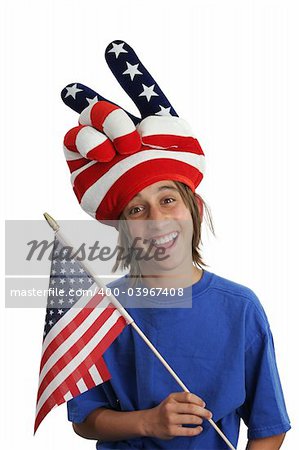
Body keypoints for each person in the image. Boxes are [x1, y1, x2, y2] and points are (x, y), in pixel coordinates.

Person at [62, 41, 291, 449]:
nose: (156, 220)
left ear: (194, 208)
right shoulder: (101, 311)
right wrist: (148, 422)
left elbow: (269, 427)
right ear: (123, 228)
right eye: (136, 210)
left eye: (168, 200)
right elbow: (85, 418)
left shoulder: (240, 308)